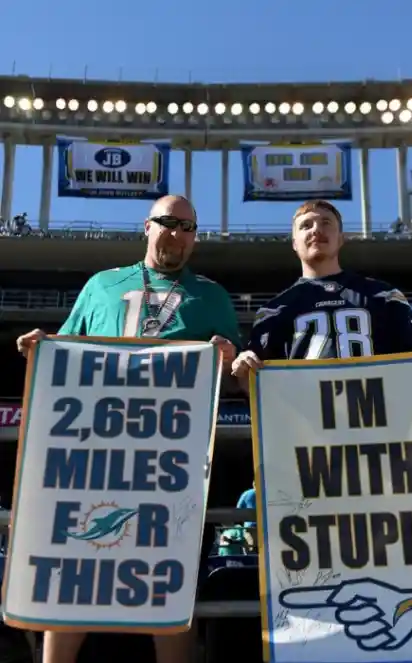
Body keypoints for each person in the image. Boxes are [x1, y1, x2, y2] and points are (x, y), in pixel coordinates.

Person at [16, 195, 242, 663]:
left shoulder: (212, 296)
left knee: (169, 583)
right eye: (167, 223)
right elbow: (66, 346)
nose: (176, 234)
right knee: (72, 574)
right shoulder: (102, 285)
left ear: (195, 236)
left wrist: (225, 359)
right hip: (94, 454)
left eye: (187, 227)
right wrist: (41, 345)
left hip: (170, 461)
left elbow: (231, 368)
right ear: (146, 226)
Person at [232, 199, 412, 387]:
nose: (316, 230)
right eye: (306, 225)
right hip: (306, 424)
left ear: (341, 238)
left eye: (326, 223)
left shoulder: (384, 296)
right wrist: (243, 367)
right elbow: (254, 384)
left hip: (377, 420)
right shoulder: (274, 309)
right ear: (294, 243)